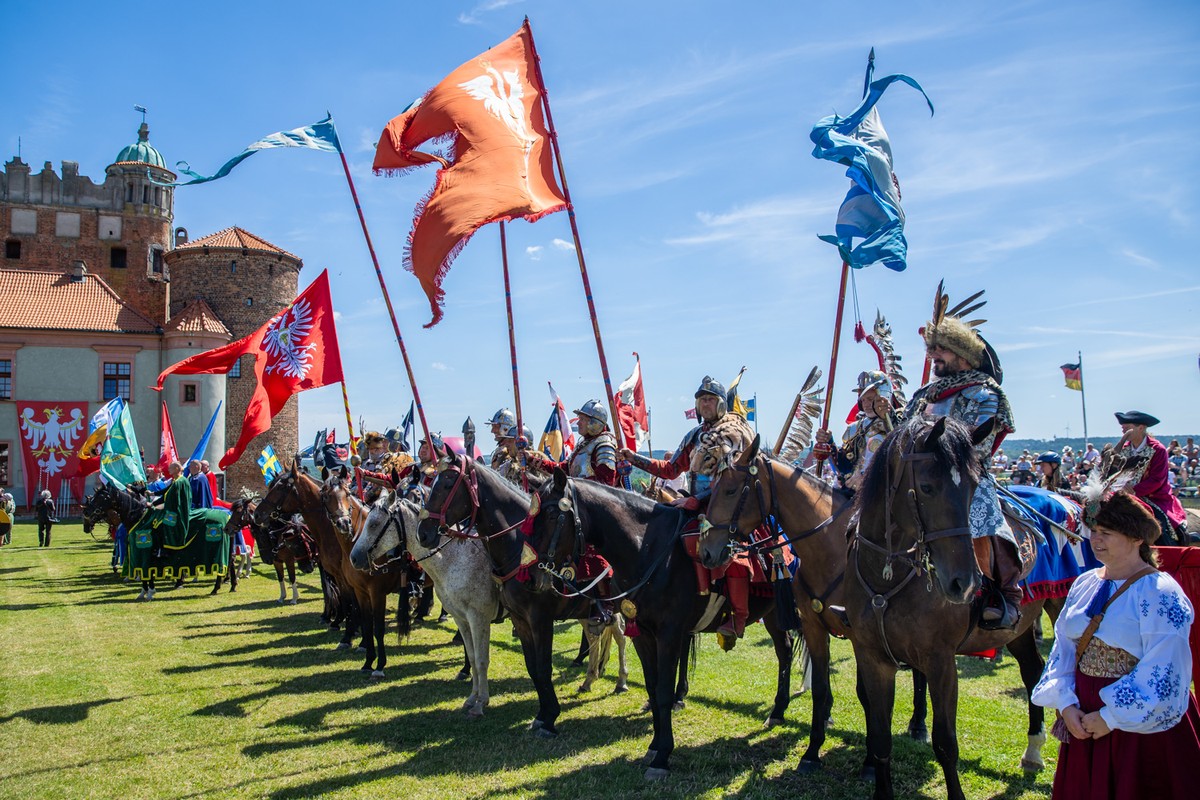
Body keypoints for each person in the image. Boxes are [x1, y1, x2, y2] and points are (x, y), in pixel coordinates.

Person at [1031, 491, 1199, 799]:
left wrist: (1111, 717)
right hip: (1083, 717)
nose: (1096, 540)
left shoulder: (1159, 591)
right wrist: (1066, 705)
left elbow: (1165, 667)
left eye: (1106, 533)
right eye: (1093, 532)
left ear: (1137, 539)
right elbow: (1063, 650)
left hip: (1139, 727)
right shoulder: (1085, 583)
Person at [621, 376, 773, 648]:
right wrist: (636, 459)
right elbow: (670, 470)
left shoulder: (734, 432)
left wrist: (700, 500)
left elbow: (732, 481)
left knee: (735, 555)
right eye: (701, 398)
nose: (705, 403)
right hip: (692, 501)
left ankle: (739, 616)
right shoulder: (694, 436)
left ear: (721, 404)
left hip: (726, 507)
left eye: (710, 399)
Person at [906, 305, 1021, 629]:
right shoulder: (921, 396)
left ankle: (997, 593)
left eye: (941, 349)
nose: (934, 356)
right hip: (919, 479)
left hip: (964, 476)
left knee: (979, 514)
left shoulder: (985, 394)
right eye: (932, 350)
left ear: (963, 353)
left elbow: (979, 446)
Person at [814, 370, 898, 494]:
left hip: (883, 493)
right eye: (863, 400)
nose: (866, 404)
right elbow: (843, 467)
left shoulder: (899, 420)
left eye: (870, 398)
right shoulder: (856, 428)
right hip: (852, 492)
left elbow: (898, 453)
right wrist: (829, 442)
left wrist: (888, 419)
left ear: (883, 395)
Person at [1111, 411, 1187, 545]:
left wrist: (1134, 491)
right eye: (1122, 427)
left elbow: (1157, 480)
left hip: (1153, 497)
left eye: (1127, 427)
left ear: (1140, 427)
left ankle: (1171, 549)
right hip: (1123, 493)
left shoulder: (1158, 449)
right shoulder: (1123, 449)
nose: (1123, 429)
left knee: (1160, 525)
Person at [528, 399, 619, 487]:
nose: (578, 423)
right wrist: (532, 460)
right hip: (578, 498)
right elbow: (563, 469)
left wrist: (571, 484)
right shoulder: (583, 444)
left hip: (594, 500)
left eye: (582, 419)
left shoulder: (605, 445)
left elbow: (604, 483)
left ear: (594, 423)